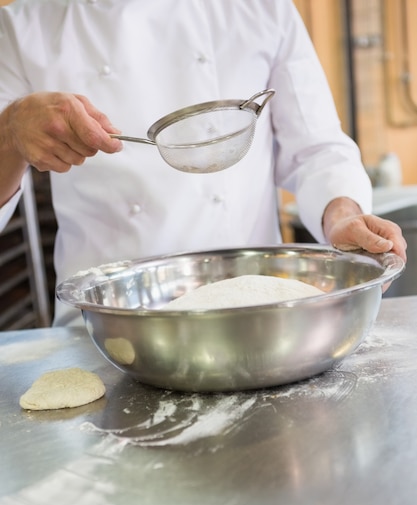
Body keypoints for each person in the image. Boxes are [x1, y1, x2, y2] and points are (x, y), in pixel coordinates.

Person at [0, 0, 407, 326]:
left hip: (255, 318)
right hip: (105, 328)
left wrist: (341, 216)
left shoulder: (261, 7)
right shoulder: (19, 28)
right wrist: (9, 132)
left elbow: (316, 148)